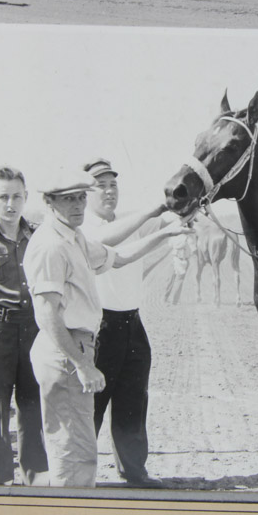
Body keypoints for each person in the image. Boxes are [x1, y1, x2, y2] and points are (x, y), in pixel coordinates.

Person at [23, 169, 188, 487]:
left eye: (80, 197)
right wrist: (82, 364)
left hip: (75, 348)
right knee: (73, 453)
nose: (77, 205)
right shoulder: (51, 245)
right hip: (65, 351)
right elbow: (46, 313)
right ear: (49, 202)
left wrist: (166, 234)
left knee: (79, 449)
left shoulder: (73, 238)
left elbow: (119, 257)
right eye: (68, 199)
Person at [82, 157, 172, 488]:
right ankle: (81, 475)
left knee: (133, 401)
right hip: (100, 327)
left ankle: (134, 471)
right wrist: (154, 212)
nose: (109, 191)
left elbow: (164, 224)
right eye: (100, 186)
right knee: (92, 404)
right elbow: (109, 240)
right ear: (86, 193)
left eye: (113, 185)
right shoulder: (84, 228)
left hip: (133, 323)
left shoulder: (127, 222)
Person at [0, 166, 47, 486]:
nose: (10, 204)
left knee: (33, 403)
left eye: (17, 197)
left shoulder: (37, 235)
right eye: (3, 197)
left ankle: (36, 476)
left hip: (33, 327)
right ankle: (2, 477)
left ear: (26, 197)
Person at [164, 222, 197, 306]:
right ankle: (175, 301)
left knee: (170, 280)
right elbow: (194, 250)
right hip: (183, 260)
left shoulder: (174, 236)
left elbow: (170, 245)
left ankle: (165, 298)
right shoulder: (189, 238)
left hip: (174, 258)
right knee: (179, 280)